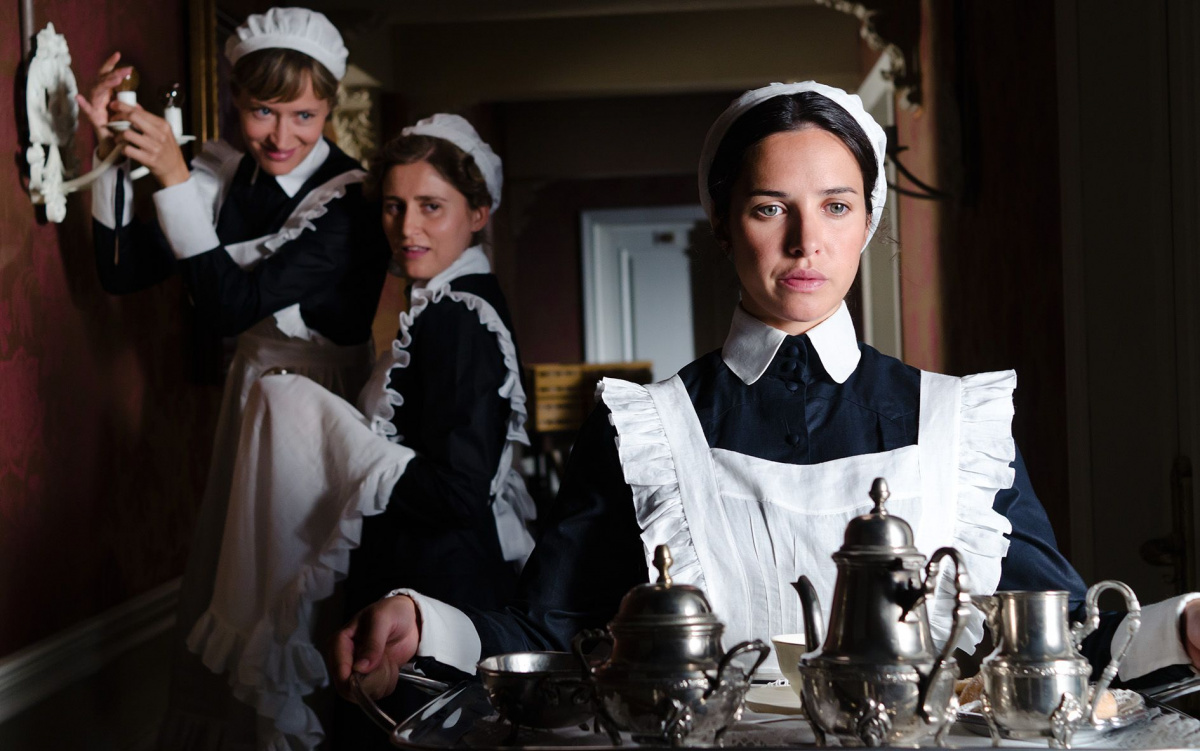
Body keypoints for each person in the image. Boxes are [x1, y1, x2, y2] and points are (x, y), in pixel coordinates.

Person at [331, 82, 1200, 710]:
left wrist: (1184, 626)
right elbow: (559, 632)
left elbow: (1063, 634)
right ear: (721, 221)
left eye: (835, 206)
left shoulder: (956, 424)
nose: (805, 240)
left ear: (869, 221)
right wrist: (427, 625)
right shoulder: (646, 430)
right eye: (769, 208)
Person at [79, 7, 390, 748]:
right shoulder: (223, 172)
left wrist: (172, 175)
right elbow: (121, 270)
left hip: (317, 414)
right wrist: (112, 152)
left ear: (331, 105)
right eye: (261, 111)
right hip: (249, 402)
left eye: (304, 115)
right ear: (236, 101)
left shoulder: (351, 201)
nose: (281, 136)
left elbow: (228, 307)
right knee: (238, 591)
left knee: (298, 599)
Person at [184, 114, 537, 750]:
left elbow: (461, 492)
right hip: (414, 588)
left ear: (479, 213)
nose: (407, 228)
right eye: (395, 207)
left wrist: (342, 444)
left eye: (432, 206)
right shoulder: (441, 302)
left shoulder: (460, 316)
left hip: (436, 597)